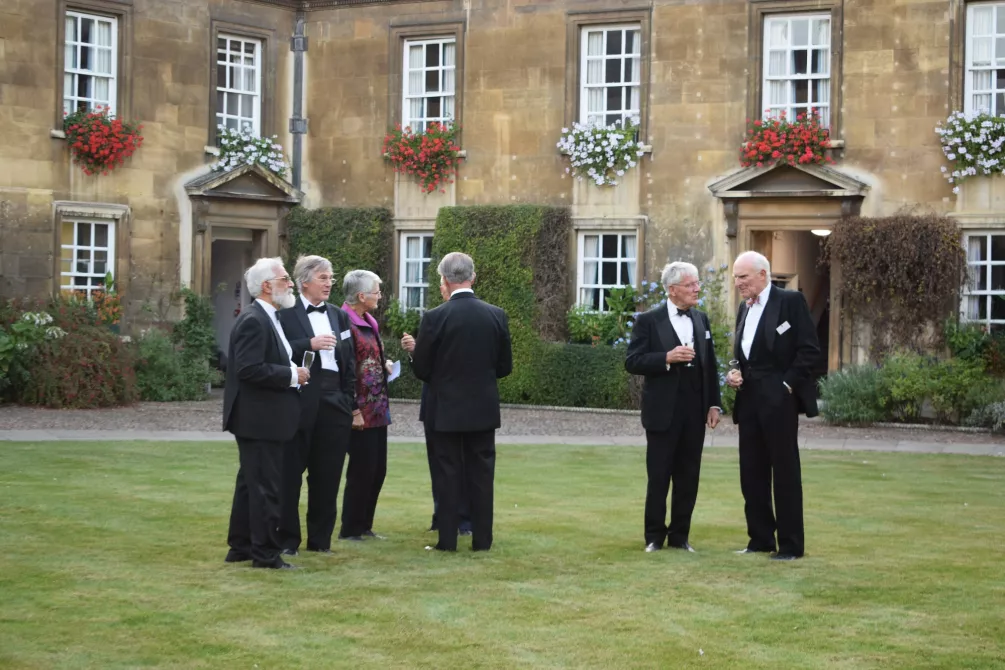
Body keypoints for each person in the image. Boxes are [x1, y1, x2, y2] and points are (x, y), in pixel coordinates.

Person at [411, 252, 513, 552]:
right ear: (473, 277)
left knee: (447, 473)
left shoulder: (434, 317)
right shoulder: (496, 314)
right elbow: (505, 367)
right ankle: (482, 540)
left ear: (444, 279)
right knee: (482, 475)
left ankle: (447, 540)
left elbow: (421, 369)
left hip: (445, 409)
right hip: (482, 408)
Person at [725, 251, 820, 561]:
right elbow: (745, 354)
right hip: (749, 398)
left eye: (743, 277)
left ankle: (791, 546)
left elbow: (809, 351)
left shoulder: (790, 302)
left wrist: (786, 386)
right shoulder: (744, 308)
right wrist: (735, 372)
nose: (738, 282)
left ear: (763, 275)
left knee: (785, 471)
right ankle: (761, 539)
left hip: (779, 400)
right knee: (750, 471)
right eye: (736, 277)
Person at [625, 262, 722, 553]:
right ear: (673, 289)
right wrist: (666, 357)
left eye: (697, 284)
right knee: (659, 476)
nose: (697, 289)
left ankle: (680, 536)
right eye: (691, 284)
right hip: (661, 412)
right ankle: (654, 537)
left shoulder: (701, 319)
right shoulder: (648, 321)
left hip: (694, 413)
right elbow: (632, 361)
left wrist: (714, 404)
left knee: (688, 476)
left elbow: (710, 365)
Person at [222, 257, 309, 570]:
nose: (290, 283)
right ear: (268, 286)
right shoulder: (254, 320)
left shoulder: (268, 317)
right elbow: (248, 369)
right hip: (259, 419)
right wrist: (291, 376)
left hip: (263, 418)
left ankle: (241, 545)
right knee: (265, 487)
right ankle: (266, 553)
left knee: (249, 484)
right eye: (285, 278)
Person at [275, 255, 361, 556]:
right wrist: (307, 344)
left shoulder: (339, 315)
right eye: (323, 278)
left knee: (328, 475)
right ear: (304, 281)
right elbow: (276, 353)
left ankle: (320, 540)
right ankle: (287, 540)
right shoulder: (284, 314)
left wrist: (347, 399)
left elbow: (350, 360)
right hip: (299, 399)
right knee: (290, 473)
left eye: (330, 278)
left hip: (335, 401)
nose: (329, 283)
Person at [401, 288, 473, 536]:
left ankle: (454, 519)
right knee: (457, 464)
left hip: (440, 402)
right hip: (462, 403)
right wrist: (415, 351)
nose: (441, 289)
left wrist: (417, 356)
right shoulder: (485, 316)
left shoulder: (434, 317)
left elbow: (426, 367)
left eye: (442, 284)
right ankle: (451, 517)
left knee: (447, 464)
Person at [338, 270, 394, 541]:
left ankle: (365, 525)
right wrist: (354, 410)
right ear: (361, 296)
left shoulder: (369, 321)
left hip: (378, 408)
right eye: (376, 292)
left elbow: (369, 356)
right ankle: (351, 529)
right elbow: (345, 369)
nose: (380, 296)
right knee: (361, 470)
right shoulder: (344, 322)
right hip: (360, 410)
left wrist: (383, 364)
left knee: (377, 470)